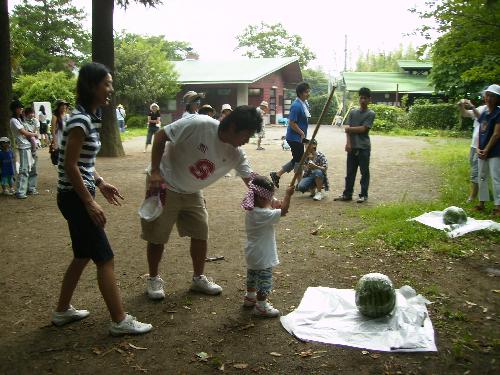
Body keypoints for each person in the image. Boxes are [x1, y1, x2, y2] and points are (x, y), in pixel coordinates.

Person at [52, 62, 152, 336]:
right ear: (91, 86)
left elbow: (83, 163)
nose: (111, 89)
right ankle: (119, 320)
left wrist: (100, 182)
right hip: (74, 197)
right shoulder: (80, 119)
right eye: (106, 83)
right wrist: (88, 201)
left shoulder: (88, 117)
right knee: (105, 258)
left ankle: (62, 311)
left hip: (76, 193)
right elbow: (69, 164)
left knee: (83, 255)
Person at [141, 105, 262, 300]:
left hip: (192, 190)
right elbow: (161, 136)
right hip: (164, 182)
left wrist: (271, 199)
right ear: (233, 128)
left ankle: (198, 278)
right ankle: (153, 278)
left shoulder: (236, 153)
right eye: (246, 135)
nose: (247, 141)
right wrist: (155, 171)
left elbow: (251, 179)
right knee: (157, 235)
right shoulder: (199, 124)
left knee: (200, 233)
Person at [241, 176, 294, 317]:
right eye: (269, 198)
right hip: (263, 254)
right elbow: (284, 211)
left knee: (252, 276)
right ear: (260, 198)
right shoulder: (263, 214)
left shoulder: (252, 211)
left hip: (252, 253)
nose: (271, 200)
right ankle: (261, 306)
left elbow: (271, 208)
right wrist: (288, 195)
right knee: (264, 280)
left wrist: (273, 205)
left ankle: (250, 297)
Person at [334, 87, 375, 203]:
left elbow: (363, 129)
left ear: (369, 100)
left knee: (364, 172)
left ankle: (363, 195)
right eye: (361, 98)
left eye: (365, 98)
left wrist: (349, 129)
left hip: (364, 148)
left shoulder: (371, 114)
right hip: (352, 147)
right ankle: (347, 194)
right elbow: (348, 131)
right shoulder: (352, 112)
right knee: (350, 172)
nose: (363, 100)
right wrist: (348, 143)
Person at [269, 82, 311, 189]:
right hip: (294, 137)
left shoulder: (304, 104)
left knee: (297, 159)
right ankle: (299, 183)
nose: (308, 93)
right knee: (299, 160)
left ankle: (277, 175)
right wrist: (301, 133)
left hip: (300, 137)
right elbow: (292, 123)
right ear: (301, 93)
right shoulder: (296, 106)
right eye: (306, 92)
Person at [473, 84, 500, 216]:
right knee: (481, 177)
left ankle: (497, 207)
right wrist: (478, 148)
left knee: (496, 178)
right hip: (482, 151)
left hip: (494, 152)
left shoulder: (498, 113)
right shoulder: (484, 112)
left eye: (492, 96)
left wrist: (487, 150)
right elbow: (480, 131)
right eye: (487, 95)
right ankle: (481, 203)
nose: (488, 98)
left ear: (497, 99)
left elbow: (496, 134)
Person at [458, 90, 488, 203]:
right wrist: (461, 106)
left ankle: (473, 196)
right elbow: (465, 114)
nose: (485, 97)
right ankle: (482, 192)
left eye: (487, 95)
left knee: (476, 172)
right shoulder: (481, 108)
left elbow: (483, 120)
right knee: (475, 168)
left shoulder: (495, 110)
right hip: (473, 145)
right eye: (485, 95)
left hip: (483, 146)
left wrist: (472, 106)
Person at [9, 99, 38, 199]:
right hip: (23, 146)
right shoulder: (13, 120)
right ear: (14, 109)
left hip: (29, 145)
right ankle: (20, 191)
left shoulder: (20, 119)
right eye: (19, 107)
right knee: (24, 169)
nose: (21, 109)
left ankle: (31, 188)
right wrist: (34, 134)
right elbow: (24, 132)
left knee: (32, 168)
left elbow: (27, 130)